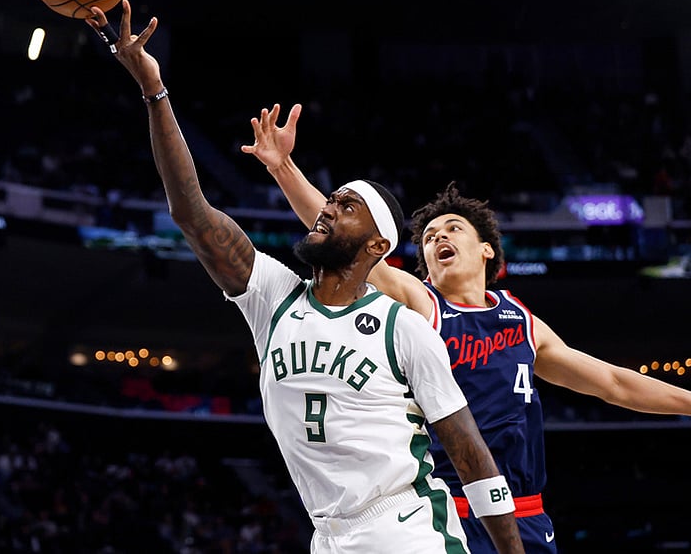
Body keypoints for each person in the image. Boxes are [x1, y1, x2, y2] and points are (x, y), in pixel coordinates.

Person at [87, 0, 525, 553]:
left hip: (407, 529)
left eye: (346, 206)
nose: (327, 209)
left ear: (377, 246)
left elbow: (471, 456)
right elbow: (192, 213)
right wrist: (154, 90)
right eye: (331, 200)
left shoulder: (404, 329)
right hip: (328, 537)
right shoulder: (273, 297)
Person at [241, 102, 691, 553]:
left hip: (525, 511)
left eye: (452, 229)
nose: (439, 237)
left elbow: (613, 382)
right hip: (448, 509)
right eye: (429, 237)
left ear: (486, 250)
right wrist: (283, 168)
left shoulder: (521, 320)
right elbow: (341, 233)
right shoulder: (420, 303)